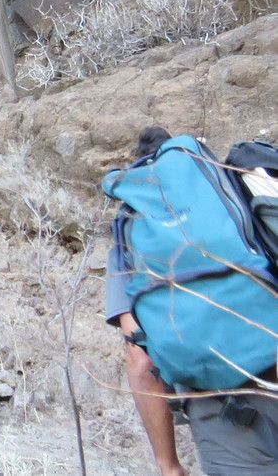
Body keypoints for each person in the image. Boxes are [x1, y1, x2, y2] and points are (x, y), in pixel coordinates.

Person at [106, 126, 278, 475]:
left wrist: (168, 464)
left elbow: (140, 360)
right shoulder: (239, 187)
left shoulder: (130, 241)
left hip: (222, 413)